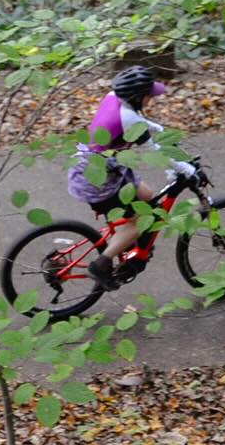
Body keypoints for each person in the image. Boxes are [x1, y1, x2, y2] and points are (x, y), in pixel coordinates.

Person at [67, 65, 195, 290]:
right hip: (99, 181)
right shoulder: (129, 119)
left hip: (97, 167)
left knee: (146, 195)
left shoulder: (114, 97)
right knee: (141, 222)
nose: (150, 100)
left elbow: (137, 123)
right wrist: (186, 170)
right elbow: (154, 151)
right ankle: (101, 264)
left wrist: (160, 128)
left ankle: (126, 243)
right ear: (137, 97)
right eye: (148, 96)